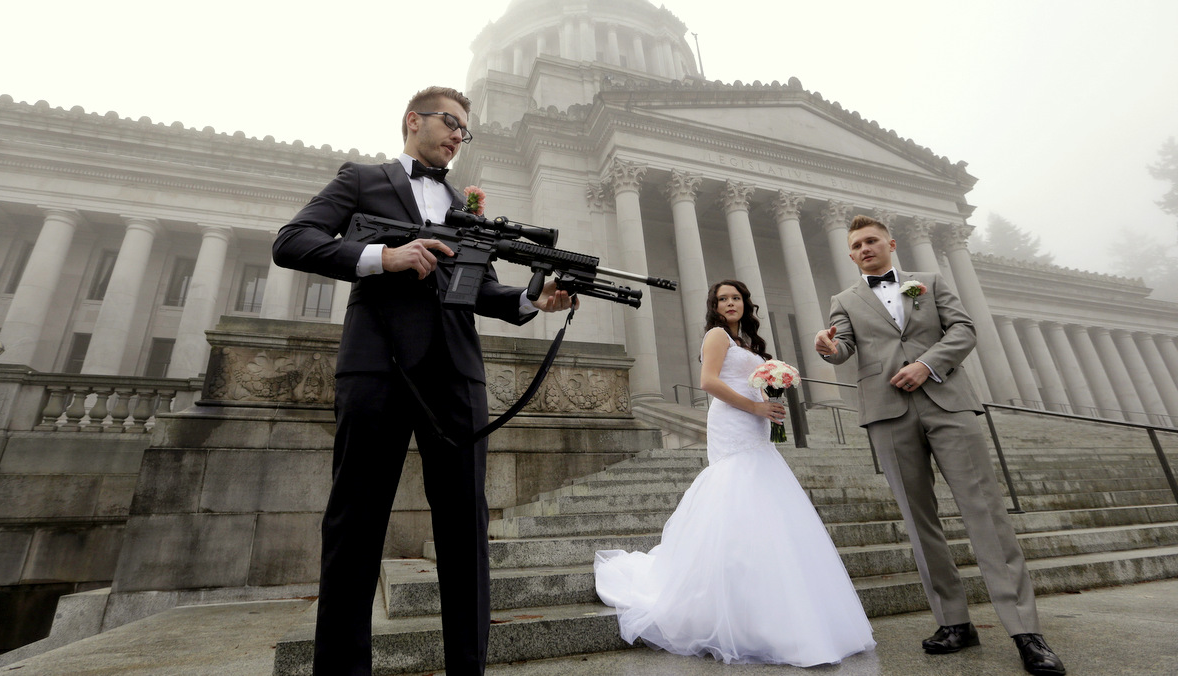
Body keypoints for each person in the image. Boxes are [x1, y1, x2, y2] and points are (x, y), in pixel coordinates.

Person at [272, 86, 572, 676]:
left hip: (457, 376)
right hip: (375, 369)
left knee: (465, 531)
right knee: (355, 522)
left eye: (466, 129)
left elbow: (479, 291)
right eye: (451, 123)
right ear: (414, 121)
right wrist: (386, 257)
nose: (460, 135)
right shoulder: (362, 178)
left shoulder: (468, 206)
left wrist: (535, 298)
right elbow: (292, 242)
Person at [814, 215, 1065, 676]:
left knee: (984, 511)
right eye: (857, 245)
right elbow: (844, 347)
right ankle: (953, 621)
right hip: (887, 411)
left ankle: (1025, 630)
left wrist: (927, 365)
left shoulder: (928, 281)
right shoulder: (843, 300)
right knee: (918, 518)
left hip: (947, 402)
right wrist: (828, 349)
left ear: (890, 244)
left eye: (872, 241)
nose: (865, 248)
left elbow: (964, 330)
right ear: (850, 255)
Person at [593, 280, 875, 667]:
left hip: (756, 426)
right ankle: (730, 608)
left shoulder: (750, 344)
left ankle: (775, 609)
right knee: (736, 493)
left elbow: (755, 382)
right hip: (732, 422)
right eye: (723, 298)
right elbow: (709, 382)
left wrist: (769, 403)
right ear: (714, 305)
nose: (730, 303)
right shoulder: (715, 336)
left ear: (746, 304)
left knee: (767, 505)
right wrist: (755, 407)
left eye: (736, 298)